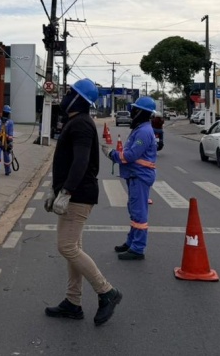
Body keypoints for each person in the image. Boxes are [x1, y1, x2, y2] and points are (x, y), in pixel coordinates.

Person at [44, 79, 123, 326]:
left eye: (70, 93)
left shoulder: (80, 124)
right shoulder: (77, 122)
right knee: (73, 248)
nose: (66, 96)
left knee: (67, 247)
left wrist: (66, 191)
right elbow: (68, 161)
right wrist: (53, 189)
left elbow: (80, 162)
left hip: (77, 196)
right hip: (74, 194)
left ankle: (106, 291)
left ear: (79, 99)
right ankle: (73, 302)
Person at [103, 95, 158, 260]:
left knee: (139, 213)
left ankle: (137, 248)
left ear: (141, 112)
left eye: (134, 110)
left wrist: (113, 154)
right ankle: (131, 242)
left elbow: (132, 154)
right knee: (134, 211)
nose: (131, 112)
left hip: (139, 176)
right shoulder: (141, 128)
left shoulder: (144, 132)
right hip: (135, 175)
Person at [0, 105, 14, 177]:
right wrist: (10, 143)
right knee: (6, 157)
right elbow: (10, 135)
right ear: (8, 113)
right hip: (6, 143)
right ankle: (7, 171)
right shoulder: (10, 122)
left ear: (3, 112)